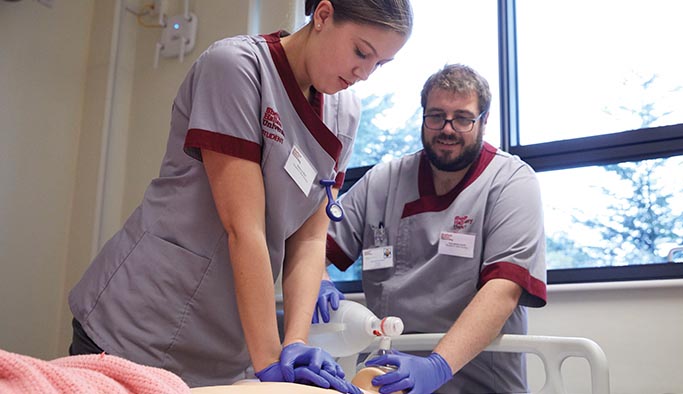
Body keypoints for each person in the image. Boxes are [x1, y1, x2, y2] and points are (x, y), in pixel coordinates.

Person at [67, 0, 412, 391]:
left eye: (380, 64)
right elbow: (243, 227)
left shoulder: (345, 110)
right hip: (141, 320)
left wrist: (294, 344)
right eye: (361, 52)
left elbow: (310, 236)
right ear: (323, 15)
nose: (363, 74)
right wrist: (269, 363)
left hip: (226, 342)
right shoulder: (236, 67)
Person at [315, 64, 547, 393]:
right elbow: (312, 247)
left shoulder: (510, 181)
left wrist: (437, 366)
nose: (447, 129)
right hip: (386, 373)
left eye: (463, 118)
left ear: (484, 120)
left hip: (478, 380)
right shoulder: (383, 182)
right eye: (436, 116)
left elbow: (504, 290)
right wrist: (320, 286)